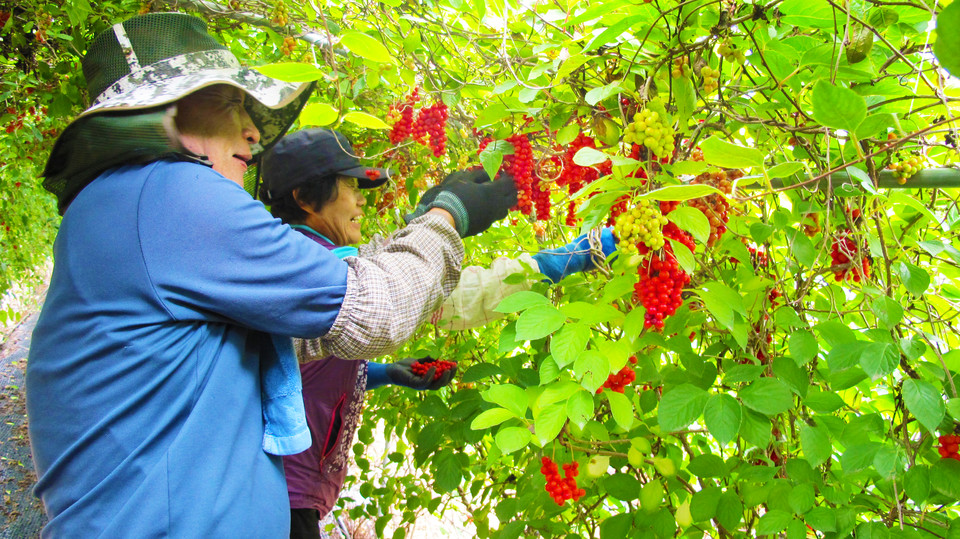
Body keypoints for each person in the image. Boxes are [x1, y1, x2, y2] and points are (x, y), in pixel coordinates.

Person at [26, 13, 517, 538]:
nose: (254, 132)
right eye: (229, 103)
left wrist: (425, 230)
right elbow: (373, 312)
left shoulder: (123, 205)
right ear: (164, 115)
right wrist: (447, 218)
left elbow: (260, 341)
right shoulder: (171, 194)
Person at [258, 128, 617, 538]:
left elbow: (301, 359)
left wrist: (383, 373)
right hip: (278, 501)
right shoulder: (297, 270)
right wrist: (443, 220)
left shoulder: (322, 265)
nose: (361, 200)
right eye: (348, 187)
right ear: (305, 199)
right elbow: (390, 304)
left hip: (290, 494)